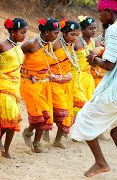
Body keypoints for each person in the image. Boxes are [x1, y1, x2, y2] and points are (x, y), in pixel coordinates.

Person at [71, 0, 117, 177]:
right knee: (115, 130)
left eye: (100, 12)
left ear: (108, 11)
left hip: (113, 90)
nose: (99, 16)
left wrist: (93, 59)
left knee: (83, 118)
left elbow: (109, 65)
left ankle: (100, 162)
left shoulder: (113, 30)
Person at [20, 18, 60, 153]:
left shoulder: (49, 44)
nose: (57, 35)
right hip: (30, 84)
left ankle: (36, 142)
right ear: (47, 31)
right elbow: (17, 58)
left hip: (44, 84)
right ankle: (28, 133)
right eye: (55, 32)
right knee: (38, 114)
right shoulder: (31, 44)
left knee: (46, 115)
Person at [0, 18, 28, 158]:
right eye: (22, 32)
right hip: (3, 86)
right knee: (11, 117)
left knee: (16, 120)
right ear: (13, 32)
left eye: (25, 33)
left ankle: (6, 150)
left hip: (15, 87)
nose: (24, 35)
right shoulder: (1, 46)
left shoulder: (19, 47)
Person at [48, 20, 80, 148]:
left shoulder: (70, 45)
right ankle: (35, 132)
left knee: (68, 112)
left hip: (66, 83)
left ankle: (58, 140)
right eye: (73, 34)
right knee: (58, 110)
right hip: (54, 82)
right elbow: (46, 63)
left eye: (77, 35)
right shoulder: (55, 44)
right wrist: (53, 76)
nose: (75, 38)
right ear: (64, 32)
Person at [72, 16, 96, 115]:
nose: (94, 31)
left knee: (88, 107)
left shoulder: (93, 43)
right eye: (91, 29)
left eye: (95, 28)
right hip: (76, 77)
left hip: (88, 79)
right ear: (82, 30)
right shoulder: (75, 43)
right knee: (78, 107)